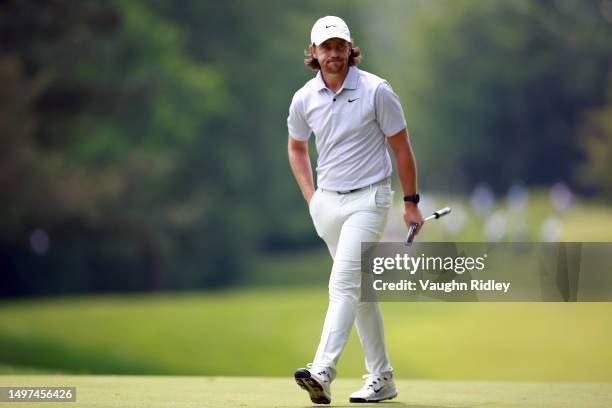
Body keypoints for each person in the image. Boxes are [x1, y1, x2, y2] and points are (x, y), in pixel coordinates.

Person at [287, 16, 424, 404]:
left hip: (370, 199)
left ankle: (322, 370)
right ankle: (382, 377)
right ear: (314, 53)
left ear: (351, 48)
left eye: (339, 46)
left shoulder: (376, 90)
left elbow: (401, 148)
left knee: (343, 284)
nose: (333, 54)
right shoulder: (304, 98)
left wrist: (411, 203)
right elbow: (297, 146)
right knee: (360, 292)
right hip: (328, 203)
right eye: (325, 47)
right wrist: (312, 198)